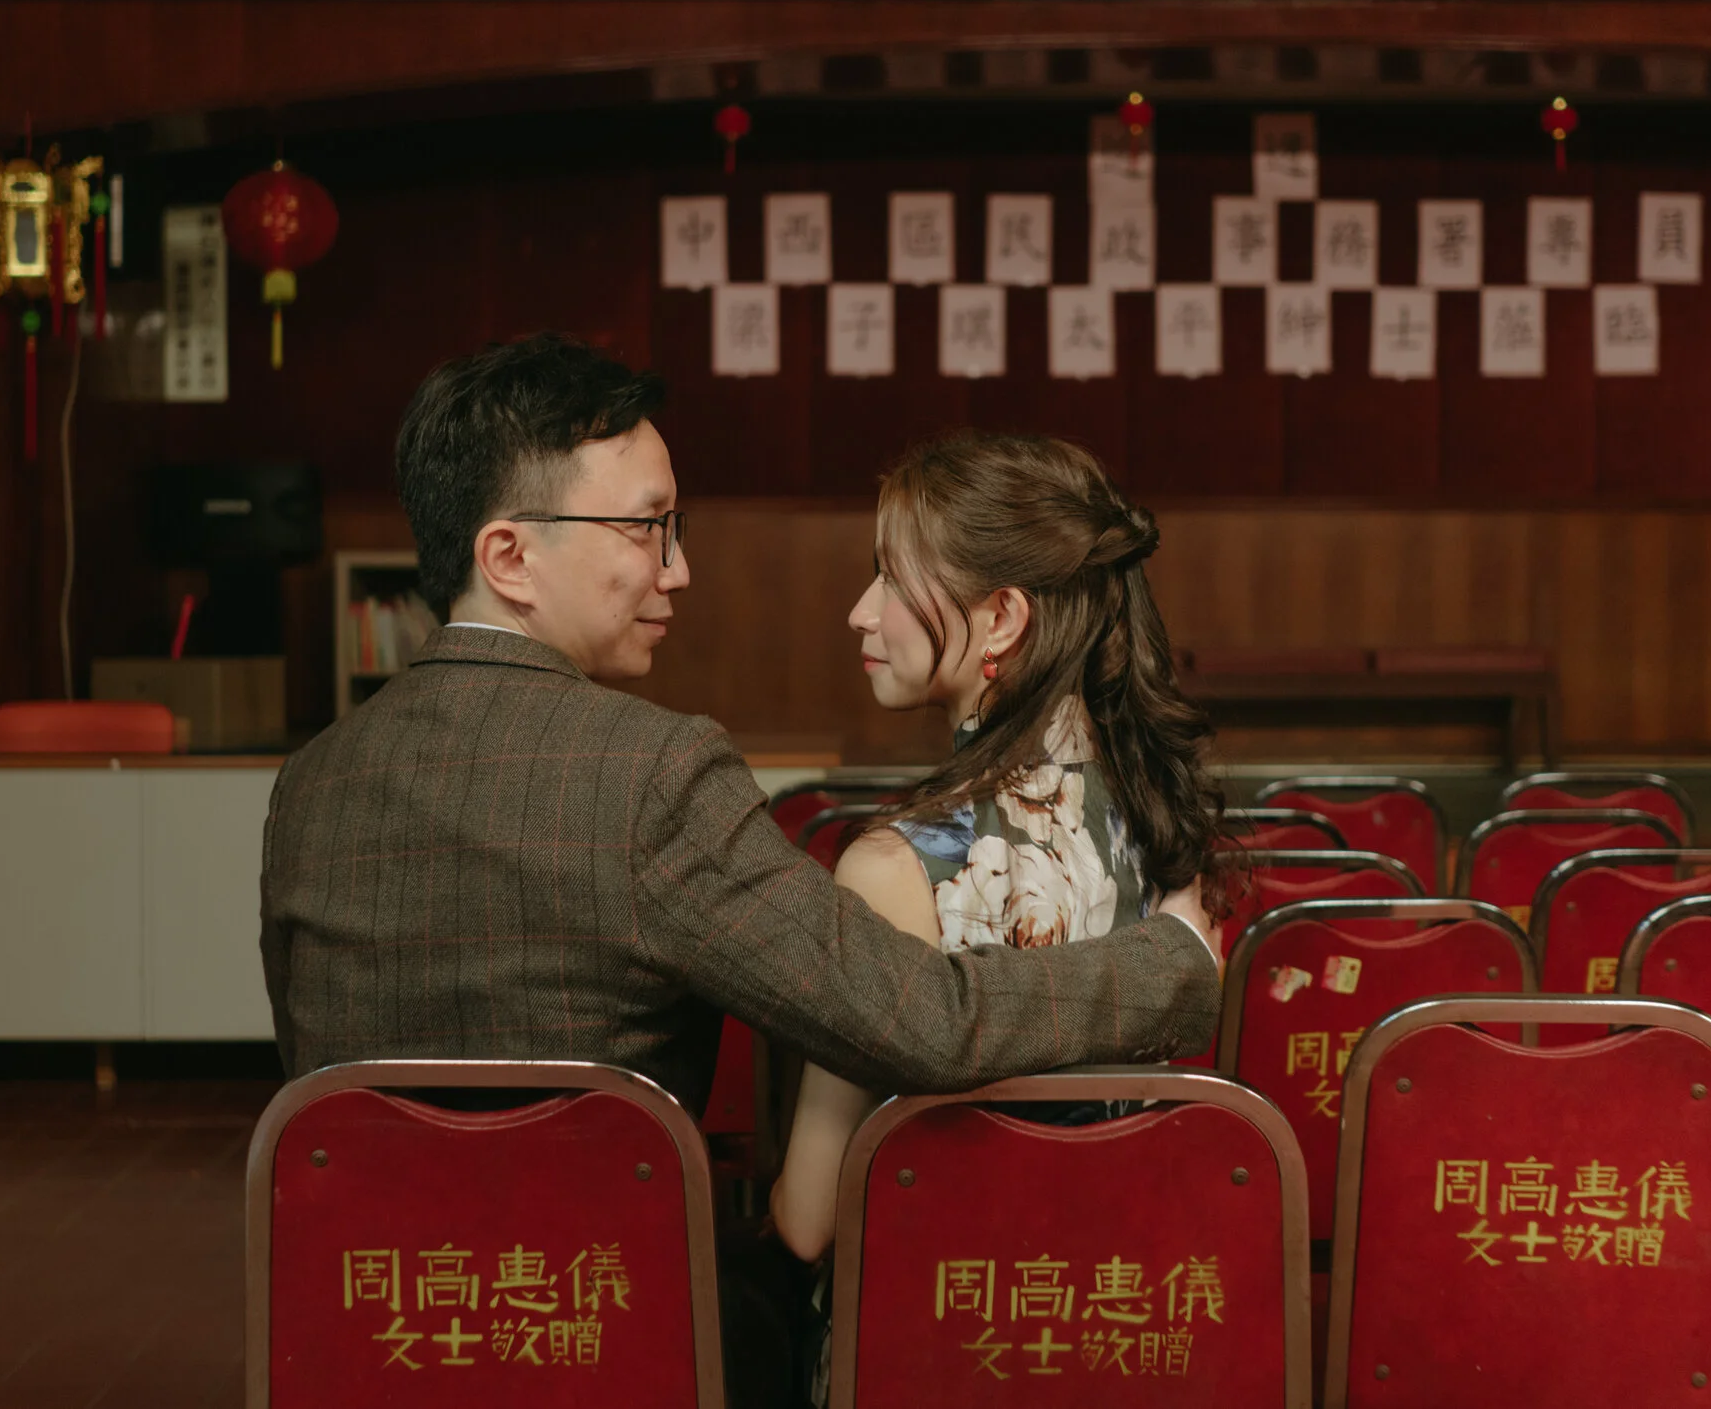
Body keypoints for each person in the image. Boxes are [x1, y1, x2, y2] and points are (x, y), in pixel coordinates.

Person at [259, 335, 1220, 1402]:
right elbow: (924, 1022)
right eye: (647, 527)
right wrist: (1173, 957)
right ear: (510, 555)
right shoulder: (652, 775)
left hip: (370, 1326)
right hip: (600, 1331)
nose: (677, 567)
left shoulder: (311, 782)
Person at [769, 432, 1234, 1266]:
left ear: (1004, 618)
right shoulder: (1160, 819)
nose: (862, 611)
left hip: (953, 1303)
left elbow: (811, 1220)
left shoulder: (896, 868)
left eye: (890, 577)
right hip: (1120, 1288)